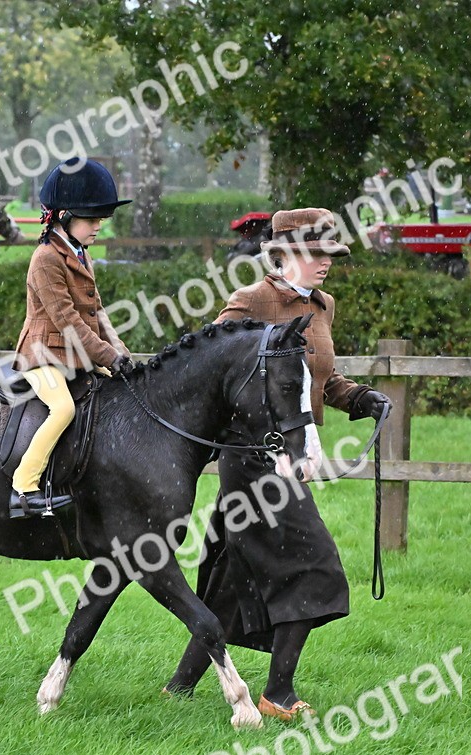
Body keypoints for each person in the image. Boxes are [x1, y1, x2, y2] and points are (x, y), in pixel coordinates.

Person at [164, 208, 391, 720]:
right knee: (316, 568)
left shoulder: (322, 306)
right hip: (252, 460)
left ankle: (179, 687)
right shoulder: (252, 301)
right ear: (284, 253)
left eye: (331, 254)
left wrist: (360, 399)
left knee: (231, 577)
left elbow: (316, 381)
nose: (326, 262)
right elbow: (204, 367)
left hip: (292, 456)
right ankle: (277, 695)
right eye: (316, 253)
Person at [9, 158, 134, 519]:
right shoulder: (45, 259)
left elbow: (98, 313)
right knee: (63, 409)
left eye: (100, 219)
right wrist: (107, 357)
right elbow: (68, 322)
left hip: (77, 356)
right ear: (64, 216)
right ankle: (24, 488)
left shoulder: (81, 254)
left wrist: (122, 353)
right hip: (42, 356)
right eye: (91, 219)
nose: (98, 226)